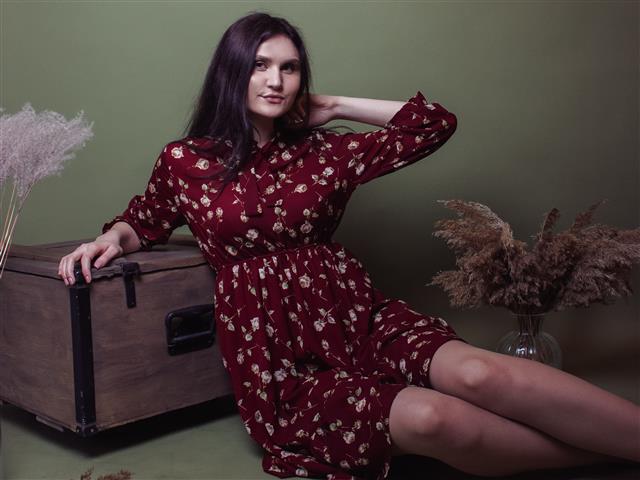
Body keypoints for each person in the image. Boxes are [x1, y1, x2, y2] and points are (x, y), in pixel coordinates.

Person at [58, 11, 639, 480]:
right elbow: (146, 220)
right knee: (435, 420)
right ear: (231, 72)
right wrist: (109, 239)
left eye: (289, 68)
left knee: (484, 376)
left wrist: (335, 105)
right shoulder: (185, 160)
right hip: (277, 356)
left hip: (354, 315)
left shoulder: (324, 152)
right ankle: (606, 455)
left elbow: (433, 124)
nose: (275, 81)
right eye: (259, 65)